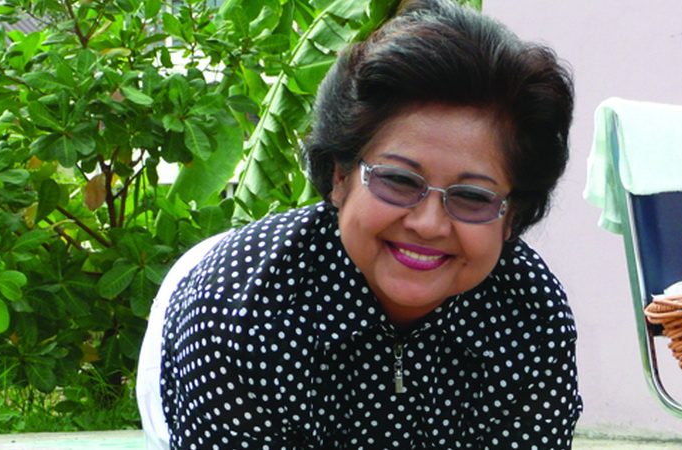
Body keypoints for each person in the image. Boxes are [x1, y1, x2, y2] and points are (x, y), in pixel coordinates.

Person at [136, 0, 582, 448]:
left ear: (513, 215)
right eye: (399, 180)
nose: (429, 224)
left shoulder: (532, 313)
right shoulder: (238, 312)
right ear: (340, 175)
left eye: (472, 196)